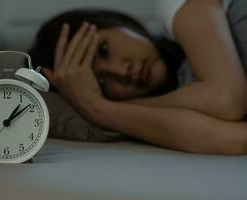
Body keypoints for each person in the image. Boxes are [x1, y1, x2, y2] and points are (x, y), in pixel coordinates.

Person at [28, 1, 247, 155]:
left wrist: (98, 106)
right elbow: (238, 140)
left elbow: (226, 100)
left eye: (103, 49)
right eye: (101, 82)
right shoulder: (169, 108)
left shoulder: (176, 6)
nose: (122, 71)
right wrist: (100, 110)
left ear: (118, 23)